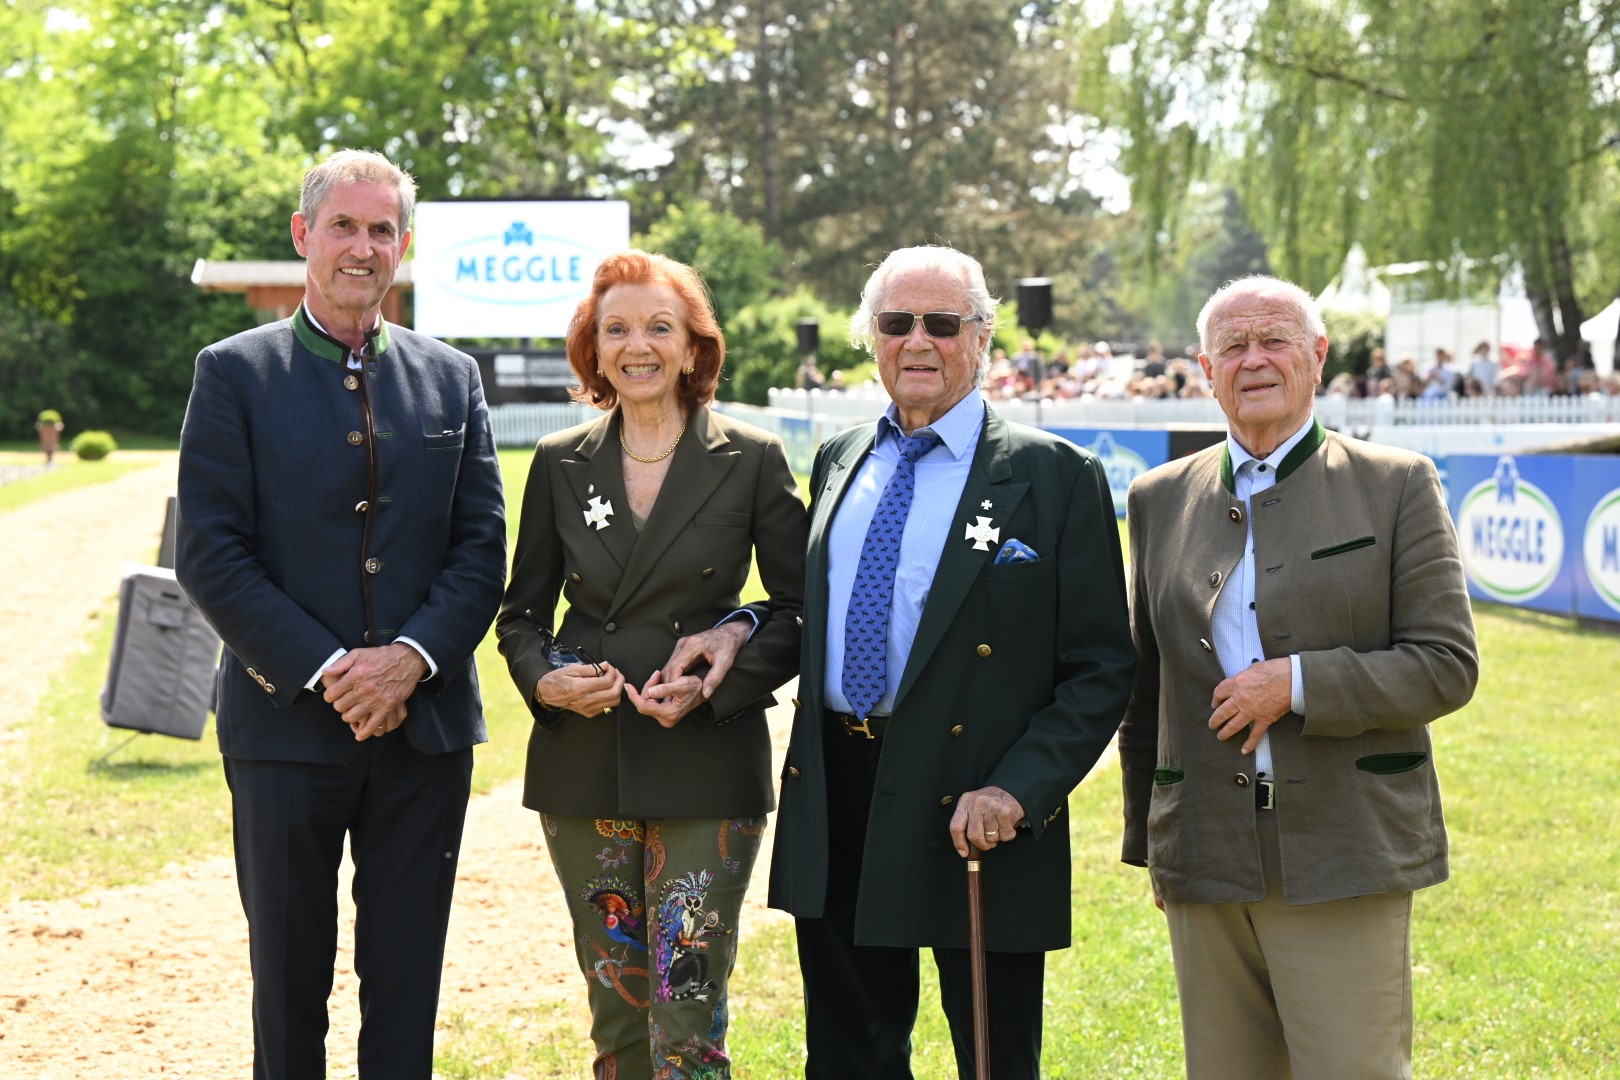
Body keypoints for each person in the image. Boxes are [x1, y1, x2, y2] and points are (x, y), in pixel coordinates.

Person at [765, 245, 1136, 1079]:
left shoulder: (1054, 475)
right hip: (840, 789)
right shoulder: (838, 457)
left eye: (943, 323)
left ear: (983, 338)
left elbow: (1101, 665)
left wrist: (1020, 788)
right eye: (897, 323)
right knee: (847, 1054)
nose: (919, 341)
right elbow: (804, 612)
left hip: (979, 802)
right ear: (872, 337)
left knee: (993, 1056)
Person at [175, 149, 507, 1079]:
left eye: (382, 230)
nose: (363, 247)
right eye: (344, 227)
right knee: (286, 981)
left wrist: (409, 659)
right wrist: (332, 669)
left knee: (407, 980)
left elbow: (481, 548)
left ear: (403, 246)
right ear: (303, 236)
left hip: (425, 732)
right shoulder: (234, 373)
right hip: (284, 729)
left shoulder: (452, 378)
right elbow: (210, 551)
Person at [1119, 275, 1479, 1080]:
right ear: (1205, 371)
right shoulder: (1156, 499)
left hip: (1344, 850)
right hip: (1207, 851)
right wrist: (1155, 843)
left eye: (1274, 340)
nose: (1254, 360)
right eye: (1233, 346)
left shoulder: (1396, 483)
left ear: (1316, 357)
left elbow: (1447, 665)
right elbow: (1146, 691)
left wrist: (1298, 683)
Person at [495, 249, 808, 1079]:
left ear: (694, 347)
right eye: (617, 329)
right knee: (618, 1007)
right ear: (593, 351)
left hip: (707, 761)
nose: (638, 345)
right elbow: (521, 614)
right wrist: (544, 679)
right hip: (584, 762)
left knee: (689, 1002)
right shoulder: (559, 461)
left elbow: (800, 607)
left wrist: (726, 663)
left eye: (659, 327)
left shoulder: (752, 457)